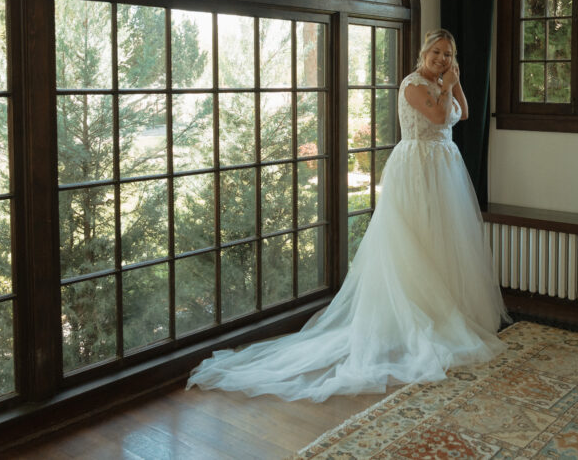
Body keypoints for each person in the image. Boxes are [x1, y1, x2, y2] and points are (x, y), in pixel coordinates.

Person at [187, 29, 508, 402]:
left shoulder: (443, 80)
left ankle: (445, 312)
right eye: (436, 52)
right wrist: (447, 85)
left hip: (444, 166)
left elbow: (463, 113)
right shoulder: (413, 84)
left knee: (443, 240)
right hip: (418, 166)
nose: (441, 58)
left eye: (448, 53)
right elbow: (438, 116)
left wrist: (455, 83)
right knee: (416, 240)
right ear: (423, 52)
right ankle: (411, 319)